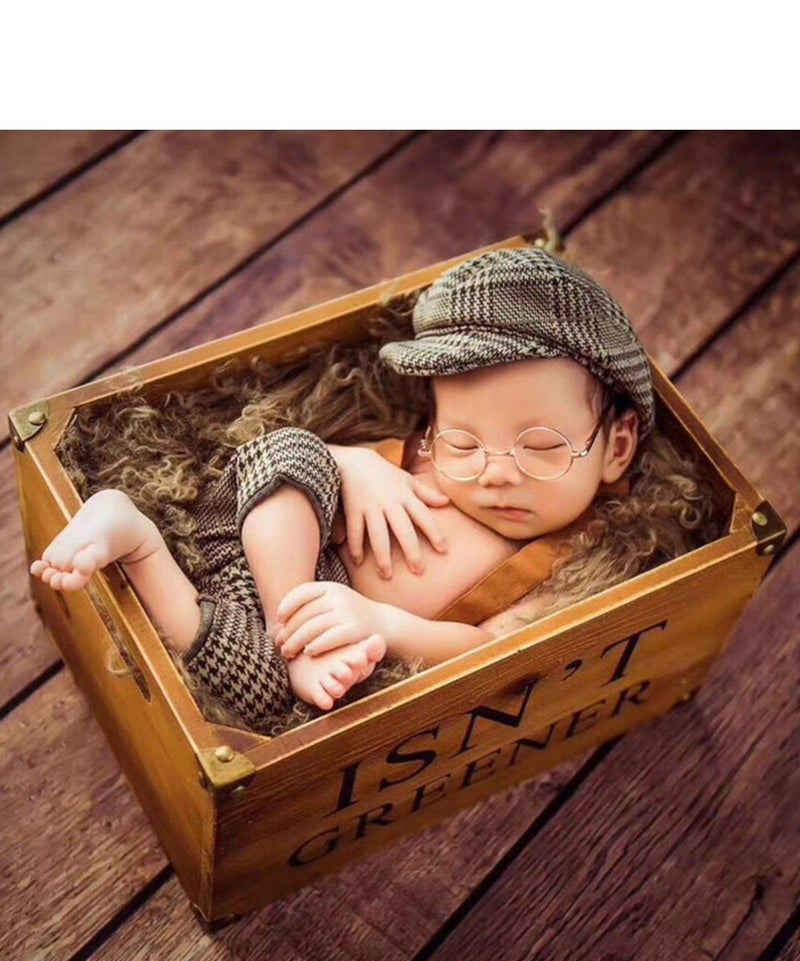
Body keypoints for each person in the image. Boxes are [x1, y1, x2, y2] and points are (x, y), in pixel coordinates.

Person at [31, 247, 712, 735]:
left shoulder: (570, 556)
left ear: (616, 445)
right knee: (291, 452)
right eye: (464, 442)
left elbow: (496, 650)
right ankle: (288, 631)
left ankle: (138, 541)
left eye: (540, 449)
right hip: (265, 560)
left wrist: (383, 624)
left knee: (259, 691)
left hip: (306, 634)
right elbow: (302, 469)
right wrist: (356, 466)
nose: (494, 471)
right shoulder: (418, 453)